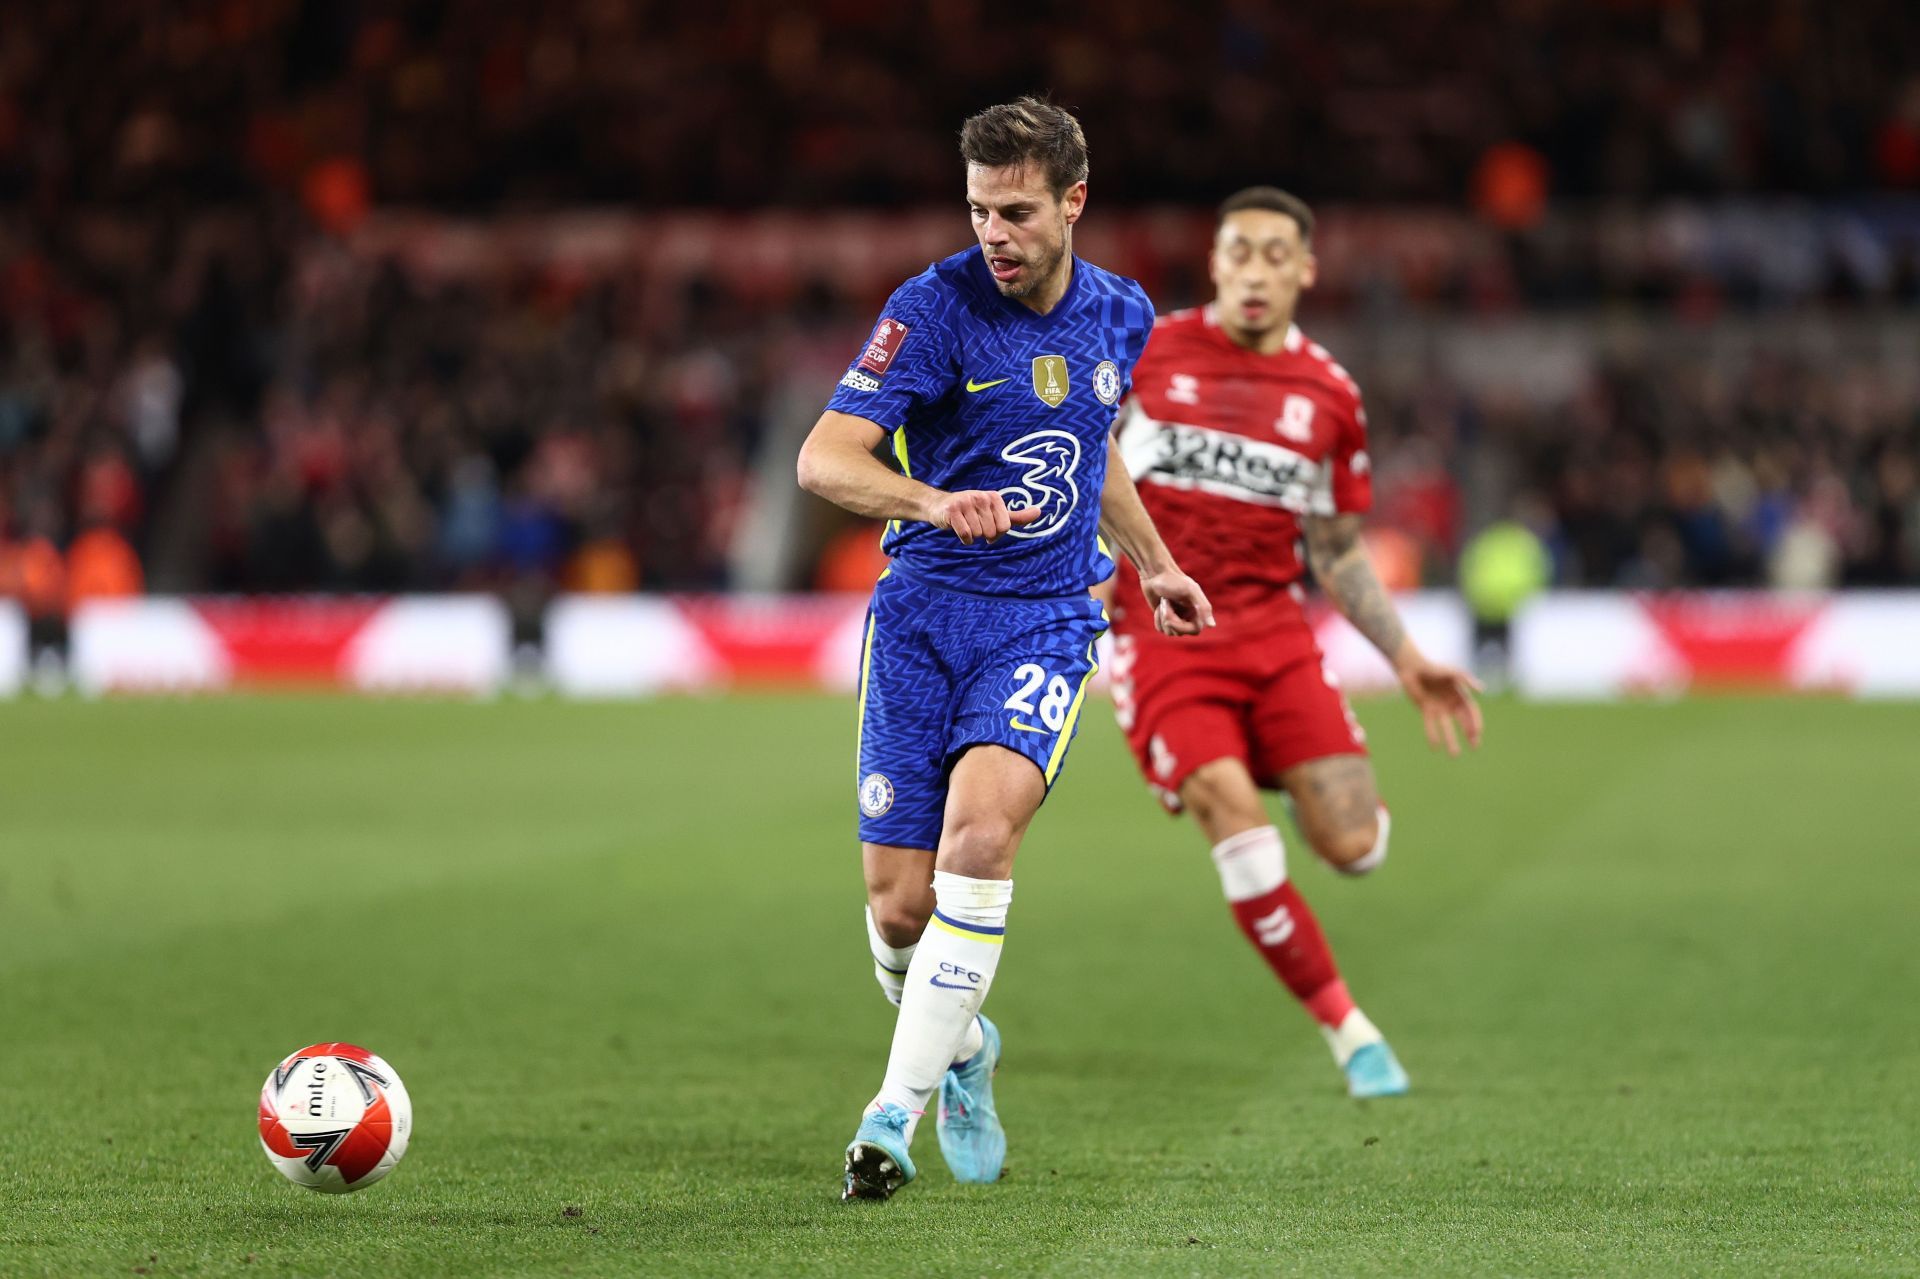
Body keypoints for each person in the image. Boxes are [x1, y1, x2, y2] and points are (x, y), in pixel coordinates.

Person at [796, 97, 1213, 1200]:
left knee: (978, 845)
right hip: (924, 616)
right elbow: (824, 459)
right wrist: (929, 501)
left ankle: (891, 1114)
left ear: (1074, 201)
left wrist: (1154, 561)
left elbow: (1091, 451)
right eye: (980, 209)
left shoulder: (1121, 315)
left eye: (1018, 211)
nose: (995, 233)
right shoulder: (931, 310)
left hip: (1044, 618)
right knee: (899, 906)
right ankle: (966, 1046)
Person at [1106, 187, 1483, 1099]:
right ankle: (1350, 1030)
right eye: (1240, 251)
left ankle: (1272, 768)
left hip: (1274, 637)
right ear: (1216, 263)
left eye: (1277, 255)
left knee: (1355, 846)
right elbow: (1083, 465)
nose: (1256, 270)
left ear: (1307, 270)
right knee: (1231, 817)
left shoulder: (1330, 395)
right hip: (1163, 638)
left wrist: (1406, 657)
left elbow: (1338, 549)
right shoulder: (1144, 351)